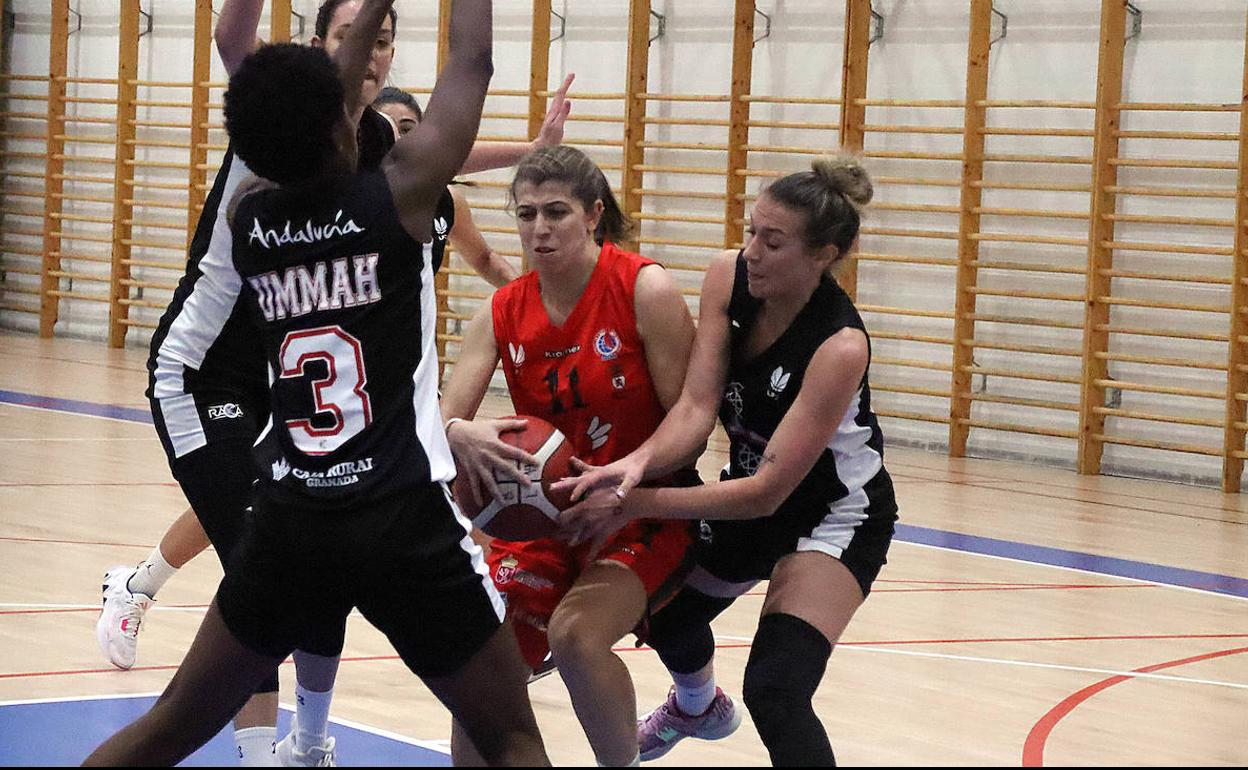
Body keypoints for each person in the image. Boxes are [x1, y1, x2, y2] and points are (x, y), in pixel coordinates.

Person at [96, 1, 570, 763]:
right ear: (342, 120)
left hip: (298, 515)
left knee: (169, 728)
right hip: (400, 514)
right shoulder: (406, 201)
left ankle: (303, 742)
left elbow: (329, 111)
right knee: (510, 734)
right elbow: (472, 62)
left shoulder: (252, 220)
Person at [558, 155, 899, 766]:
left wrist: (632, 502)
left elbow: (769, 492)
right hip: (746, 499)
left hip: (831, 517)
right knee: (660, 609)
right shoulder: (728, 277)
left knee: (776, 688)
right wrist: (632, 466)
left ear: (823, 255)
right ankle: (697, 706)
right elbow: (694, 405)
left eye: (773, 242)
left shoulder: (840, 345)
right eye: (750, 232)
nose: (751, 253)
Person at [438, 144, 698, 767]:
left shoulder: (643, 287)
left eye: (555, 212)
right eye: (526, 214)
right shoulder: (502, 309)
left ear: (593, 216)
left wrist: (628, 477)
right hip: (540, 518)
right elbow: (441, 419)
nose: (539, 228)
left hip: (637, 508)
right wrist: (455, 431)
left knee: (577, 638)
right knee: (482, 667)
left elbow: (691, 423)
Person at [373, 85, 518, 288]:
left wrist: (528, 296)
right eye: (385, 129)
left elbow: (484, 259)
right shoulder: (348, 197)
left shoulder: (447, 201)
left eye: (407, 130)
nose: (398, 139)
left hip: (417, 318)